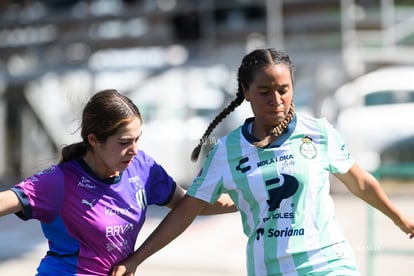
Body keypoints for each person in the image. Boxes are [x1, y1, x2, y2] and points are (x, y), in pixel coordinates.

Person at [111, 48, 414, 276]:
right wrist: (136, 259)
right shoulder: (226, 151)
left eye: (284, 90)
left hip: (329, 263)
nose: (277, 100)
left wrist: (400, 218)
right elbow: (186, 212)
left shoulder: (319, 133)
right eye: (265, 92)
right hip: (269, 268)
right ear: (246, 93)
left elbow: (360, 182)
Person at [0, 89, 236, 276]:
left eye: (137, 139)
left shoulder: (143, 168)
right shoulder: (59, 181)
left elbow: (190, 206)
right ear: (94, 140)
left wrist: (253, 197)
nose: (134, 150)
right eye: (124, 142)